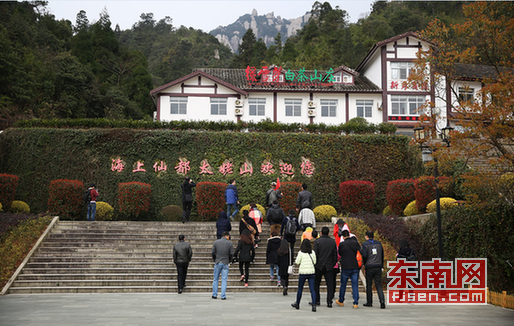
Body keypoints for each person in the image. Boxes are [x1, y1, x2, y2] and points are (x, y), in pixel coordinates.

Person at [313, 226, 337, 308]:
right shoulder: (332, 242)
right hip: (329, 266)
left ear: (321, 233)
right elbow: (335, 255)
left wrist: (315, 264)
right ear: (329, 233)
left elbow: (315, 254)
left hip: (319, 265)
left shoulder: (317, 241)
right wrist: (333, 263)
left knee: (316, 283)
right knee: (330, 284)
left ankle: (317, 300)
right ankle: (329, 301)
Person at [336, 230, 361, 309]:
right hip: (355, 266)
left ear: (343, 236)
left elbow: (340, 253)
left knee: (343, 284)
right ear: (349, 235)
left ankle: (341, 300)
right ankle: (355, 303)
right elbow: (360, 251)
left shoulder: (342, 244)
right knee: (355, 285)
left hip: (345, 266)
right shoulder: (355, 243)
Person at [291, 239, 317, 312]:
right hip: (311, 272)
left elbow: (297, 262)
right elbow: (315, 262)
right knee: (312, 289)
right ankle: (314, 305)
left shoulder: (300, 253)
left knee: (300, 289)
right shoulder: (313, 252)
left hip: (303, 273)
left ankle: (297, 303)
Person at [361, 230, 385, 309]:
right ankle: (382, 301)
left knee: (369, 285)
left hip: (369, 266)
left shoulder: (365, 244)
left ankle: (369, 302)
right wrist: (382, 265)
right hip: (378, 266)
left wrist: (364, 263)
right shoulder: (379, 243)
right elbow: (382, 255)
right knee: (378, 285)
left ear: (366, 236)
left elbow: (364, 255)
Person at [211, 231, 234, 300]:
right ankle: (223, 295)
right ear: (227, 236)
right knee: (224, 280)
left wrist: (215, 260)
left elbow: (213, 252)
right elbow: (231, 254)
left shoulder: (216, 242)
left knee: (215, 279)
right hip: (225, 262)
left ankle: (214, 294)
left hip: (218, 262)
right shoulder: (229, 243)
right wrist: (229, 261)